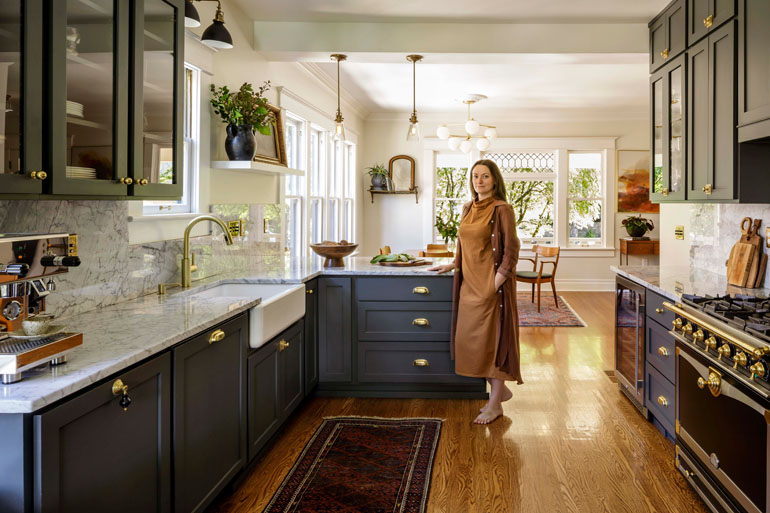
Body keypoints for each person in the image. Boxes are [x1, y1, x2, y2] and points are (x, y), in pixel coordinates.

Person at [429, 159, 522, 424]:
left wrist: (494, 284)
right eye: (475, 176)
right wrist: (452, 264)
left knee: (493, 343)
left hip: (491, 288)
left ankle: (495, 405)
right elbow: (464, 246)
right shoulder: (468, 207)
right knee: (472, 342)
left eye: (485, 176)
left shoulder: (503, 209)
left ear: (495, 180)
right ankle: (500, 391)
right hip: (468, 285)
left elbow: (511, 251)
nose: (479, 181)